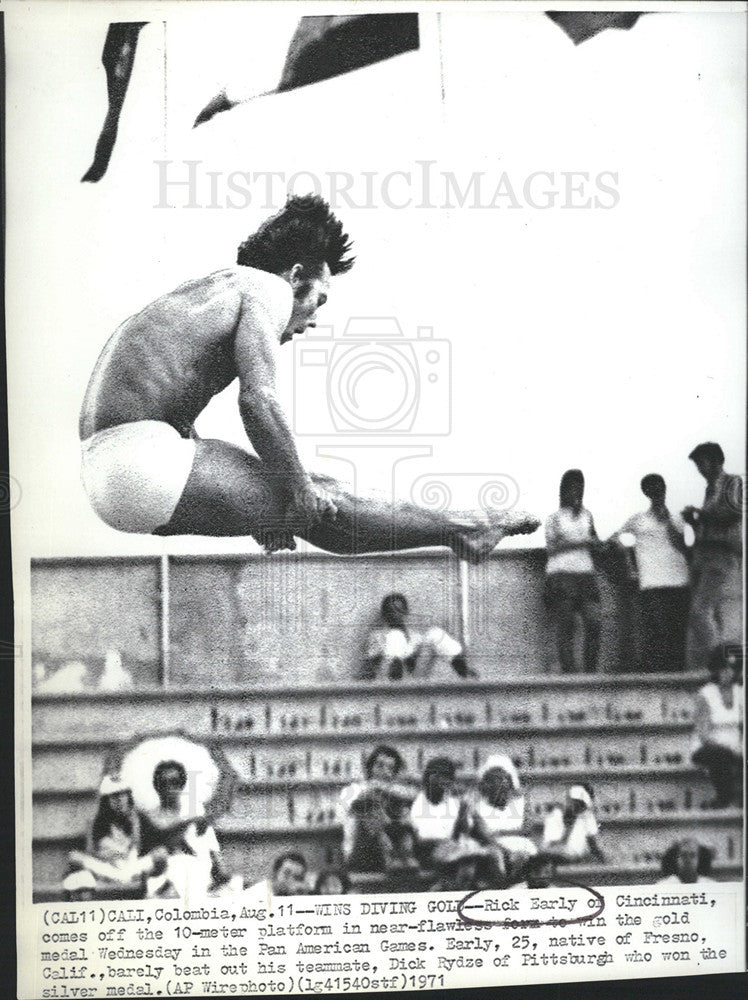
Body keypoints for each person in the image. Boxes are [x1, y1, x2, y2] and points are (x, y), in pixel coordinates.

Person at [79, 194, 538, 560]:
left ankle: (458, 529)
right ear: (296, 274)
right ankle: (469, 526)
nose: (313, 319)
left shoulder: (209, 293)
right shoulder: (266, 288)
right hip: (137, 462)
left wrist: (263, 505)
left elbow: (170, 411)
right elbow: (258, 402)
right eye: (318, 299)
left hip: (112, 475)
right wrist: (297, 488)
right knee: (320, 497)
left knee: (304, 503)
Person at [613, 474, 691, 672]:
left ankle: (676, 672)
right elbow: (615, 540)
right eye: (652, 489)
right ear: (646, 492)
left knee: (677, 629)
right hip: (651, 581)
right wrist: (630, 561)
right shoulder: (638, 520)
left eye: (660, 488)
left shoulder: (677, 518)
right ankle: (658, 671)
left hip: (679, 579)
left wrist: (669, 522)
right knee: (656, 629)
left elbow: (684, 546)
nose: (657, 493)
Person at [140, 760, 238, 898]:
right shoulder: (150, 817)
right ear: (157, 786)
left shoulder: (195, 812)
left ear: (182, 784)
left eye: (175, 782)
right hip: (166, 879)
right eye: (163, 783)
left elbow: (214, 857)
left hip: (199, 877)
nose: (169, 787)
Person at [682, 443, 743, 661]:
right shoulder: (710, 489)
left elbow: (733, 515)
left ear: (716, 460)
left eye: (702, 462)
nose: (700, 468)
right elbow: (709, 526)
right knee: (706, 613)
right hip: (705, 557)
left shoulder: (732, 482)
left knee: (701, 612)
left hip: (721, 556)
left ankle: (721, 660)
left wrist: (700, 514)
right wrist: (693, 522)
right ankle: (719, 659)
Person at [544, 469, 603, 673]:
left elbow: (594, 541)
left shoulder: (587, 515)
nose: (576, 491)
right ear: (564, 490)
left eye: (579, 487)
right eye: (572, 487)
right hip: (562, 573)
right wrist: (580, 542)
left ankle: (590, 671)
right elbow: (552, 548)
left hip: (586, 573)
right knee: (567, 625)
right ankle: (570, 673)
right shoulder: (554, 518)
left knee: (594, 622)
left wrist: (600, 544)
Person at [66, 775, 165, 895]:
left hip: (132, 867)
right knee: (75, 857)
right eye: (114, 796)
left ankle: (126, 879)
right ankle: (122, 879)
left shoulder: (139, 818)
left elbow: (152, 846)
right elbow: (90, 851)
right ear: (106, 801)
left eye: (123, 794)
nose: (119, 800)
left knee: (160, 854)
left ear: (129, 796)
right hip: (108, 868)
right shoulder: (98, 822)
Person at [338, 745, 418, 873]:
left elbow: (413, 796)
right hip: (361, 854)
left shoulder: (394, 792)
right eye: (380, 766)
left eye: (390, 768)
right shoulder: (351, 790)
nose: (385, 772)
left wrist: (384, 788)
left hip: (395, 854)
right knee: (367, 804)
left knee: (403, 811)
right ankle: (392, 856)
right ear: (370, 768)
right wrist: (377, 789)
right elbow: (357, 807)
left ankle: (403, 856)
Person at [364, 594, 476, 681]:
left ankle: (465, 673)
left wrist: (411, 657)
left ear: (405, 612)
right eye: (390, 611)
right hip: (388, 680)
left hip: (412, 679)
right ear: (384, 614)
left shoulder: (415, 636)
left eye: (398, 610)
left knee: (435, 633)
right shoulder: (376, 636)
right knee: (395, 636)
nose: (394, 615)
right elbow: (371, 666)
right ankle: (395, 688)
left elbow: (418, 662)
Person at [464, 754, 537, 885]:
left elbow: (528, 828)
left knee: (525, 853)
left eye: (503, 779)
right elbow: (484, 836)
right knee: (494, 856)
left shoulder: (522, 801)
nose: (500, 784)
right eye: (494, 780)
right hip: (491, 849)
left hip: (519, 845)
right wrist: (506, 851)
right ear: (486, 784)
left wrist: (502, 833)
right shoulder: (477, 805)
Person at [691, 644, 743, 808]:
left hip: (737, 745)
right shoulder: (706, 694)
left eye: (732, 668)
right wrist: (729, 748)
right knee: (720, 755)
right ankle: (723, 798)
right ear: (716, 669)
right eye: (724, 668)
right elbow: (704, 735)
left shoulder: (741, 692)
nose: (728, 673)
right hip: (710, 747)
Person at [541, 784, 605, 863]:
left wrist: (603, 860)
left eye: (581, 804)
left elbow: (593, 844)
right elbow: (550, 847)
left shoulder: (586, 816)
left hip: (574, 858)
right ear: (569, 800)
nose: (577, 806)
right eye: (574, 802)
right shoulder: (555, 815)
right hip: (556, 857)